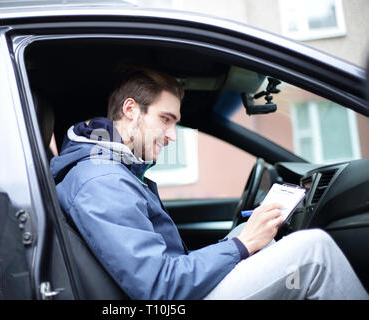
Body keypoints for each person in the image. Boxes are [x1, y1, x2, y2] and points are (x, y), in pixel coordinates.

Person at [50, 67, 368, 300]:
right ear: (131, 110)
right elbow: (161, 288)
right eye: (166, 119)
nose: (173, 135)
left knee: (263, 241)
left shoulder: (116, 171)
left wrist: (243, 239)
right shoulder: (102, 179)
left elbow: (166, 265)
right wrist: (240, 246)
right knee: (314, 250)